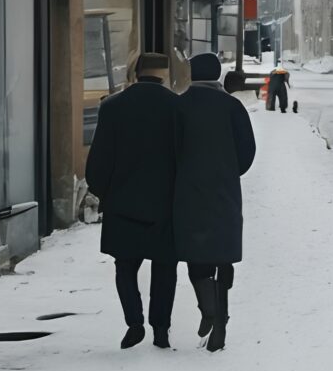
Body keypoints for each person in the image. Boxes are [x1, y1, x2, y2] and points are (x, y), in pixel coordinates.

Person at [83, 54, 183, 349]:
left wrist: (105, 193)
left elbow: (98, 160)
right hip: (166, 203)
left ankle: (134, 322)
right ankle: (161, 329)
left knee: (125, 265)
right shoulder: (177, 107)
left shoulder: (112, 106)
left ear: (135, 73)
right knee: (165, 267)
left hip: (122, 202)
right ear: (164, 75)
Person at [175, 52, 259, 353]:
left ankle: (208, 307)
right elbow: (247, 151)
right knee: (223, 254)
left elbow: (169, 148)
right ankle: (220, 320)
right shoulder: (232, 106)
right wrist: (229, 170)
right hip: (224, 190)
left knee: (195, 253)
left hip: (187, 190)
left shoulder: (178, 106)